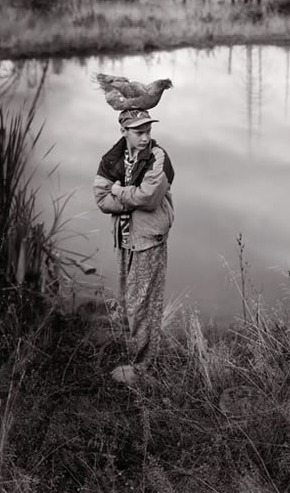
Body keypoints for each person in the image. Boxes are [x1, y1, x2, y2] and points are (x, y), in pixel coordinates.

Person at [93, 108, 175, 383]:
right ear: (124, 132)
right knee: (129, 303)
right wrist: (129, 197)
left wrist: (119, 191)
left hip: (148, 240)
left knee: (144, 304)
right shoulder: (112, 159)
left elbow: (150, 199)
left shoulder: (157, 157)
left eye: (148, 131)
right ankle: (137, 361)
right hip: (124, 241)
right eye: (139, 132)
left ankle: (143, 368)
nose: (145, 137)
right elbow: (102, 200)